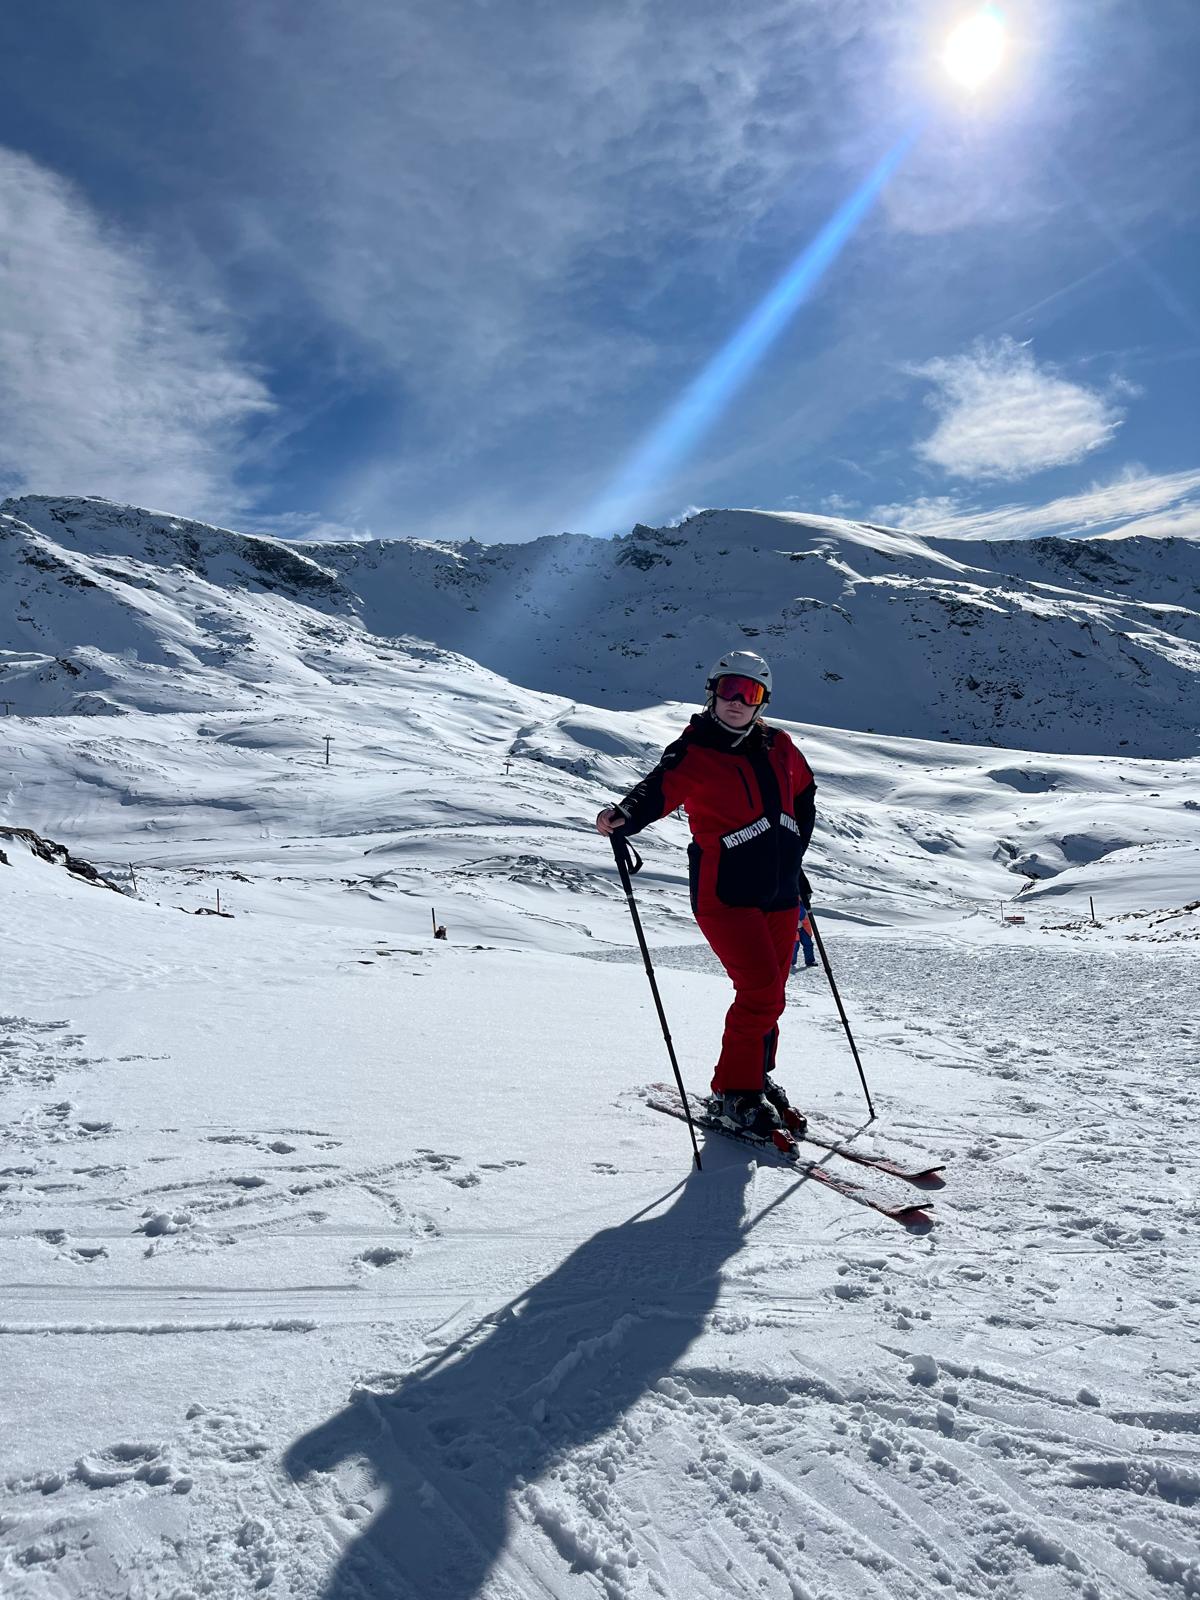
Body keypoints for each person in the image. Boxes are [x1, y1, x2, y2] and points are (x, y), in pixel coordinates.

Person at [596, 650, 816, 1138]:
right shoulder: (695, 750)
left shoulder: (780, 746)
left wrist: (795, 856)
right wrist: (624, 817)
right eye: (729, 690)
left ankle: (755, 1078)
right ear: (712, 692)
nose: (737, 701)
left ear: (763, 702)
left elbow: (804, 793)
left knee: (772, 995)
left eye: (750, 693)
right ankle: (733, 1092)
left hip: (780, 892)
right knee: (759, 988)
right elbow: (657, 789)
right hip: (727, 894)